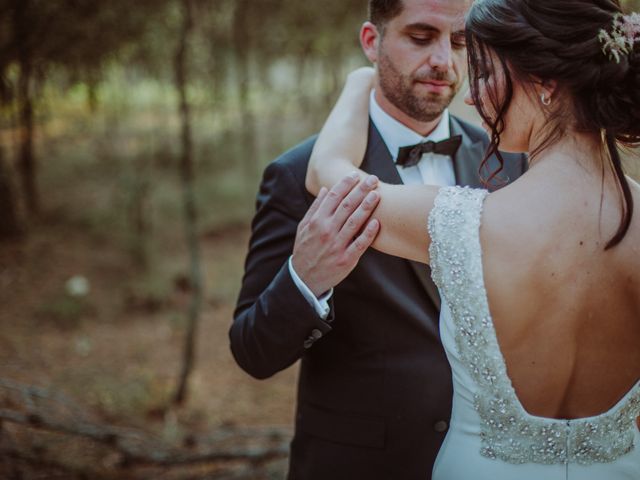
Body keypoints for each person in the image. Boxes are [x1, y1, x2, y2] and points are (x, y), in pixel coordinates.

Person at [305, 0, 640, 478]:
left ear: (545, 83)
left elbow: (328, 175)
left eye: (484, 72)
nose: (472, 95)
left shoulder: (457, 223)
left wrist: (360, 82)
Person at [230, 0, 526, 478]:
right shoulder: (295, 176)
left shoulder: (509, 163)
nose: (444, 62)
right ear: (372, 41)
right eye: (420, 36)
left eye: (459, 43)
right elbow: (252, 351)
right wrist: (305, 281)